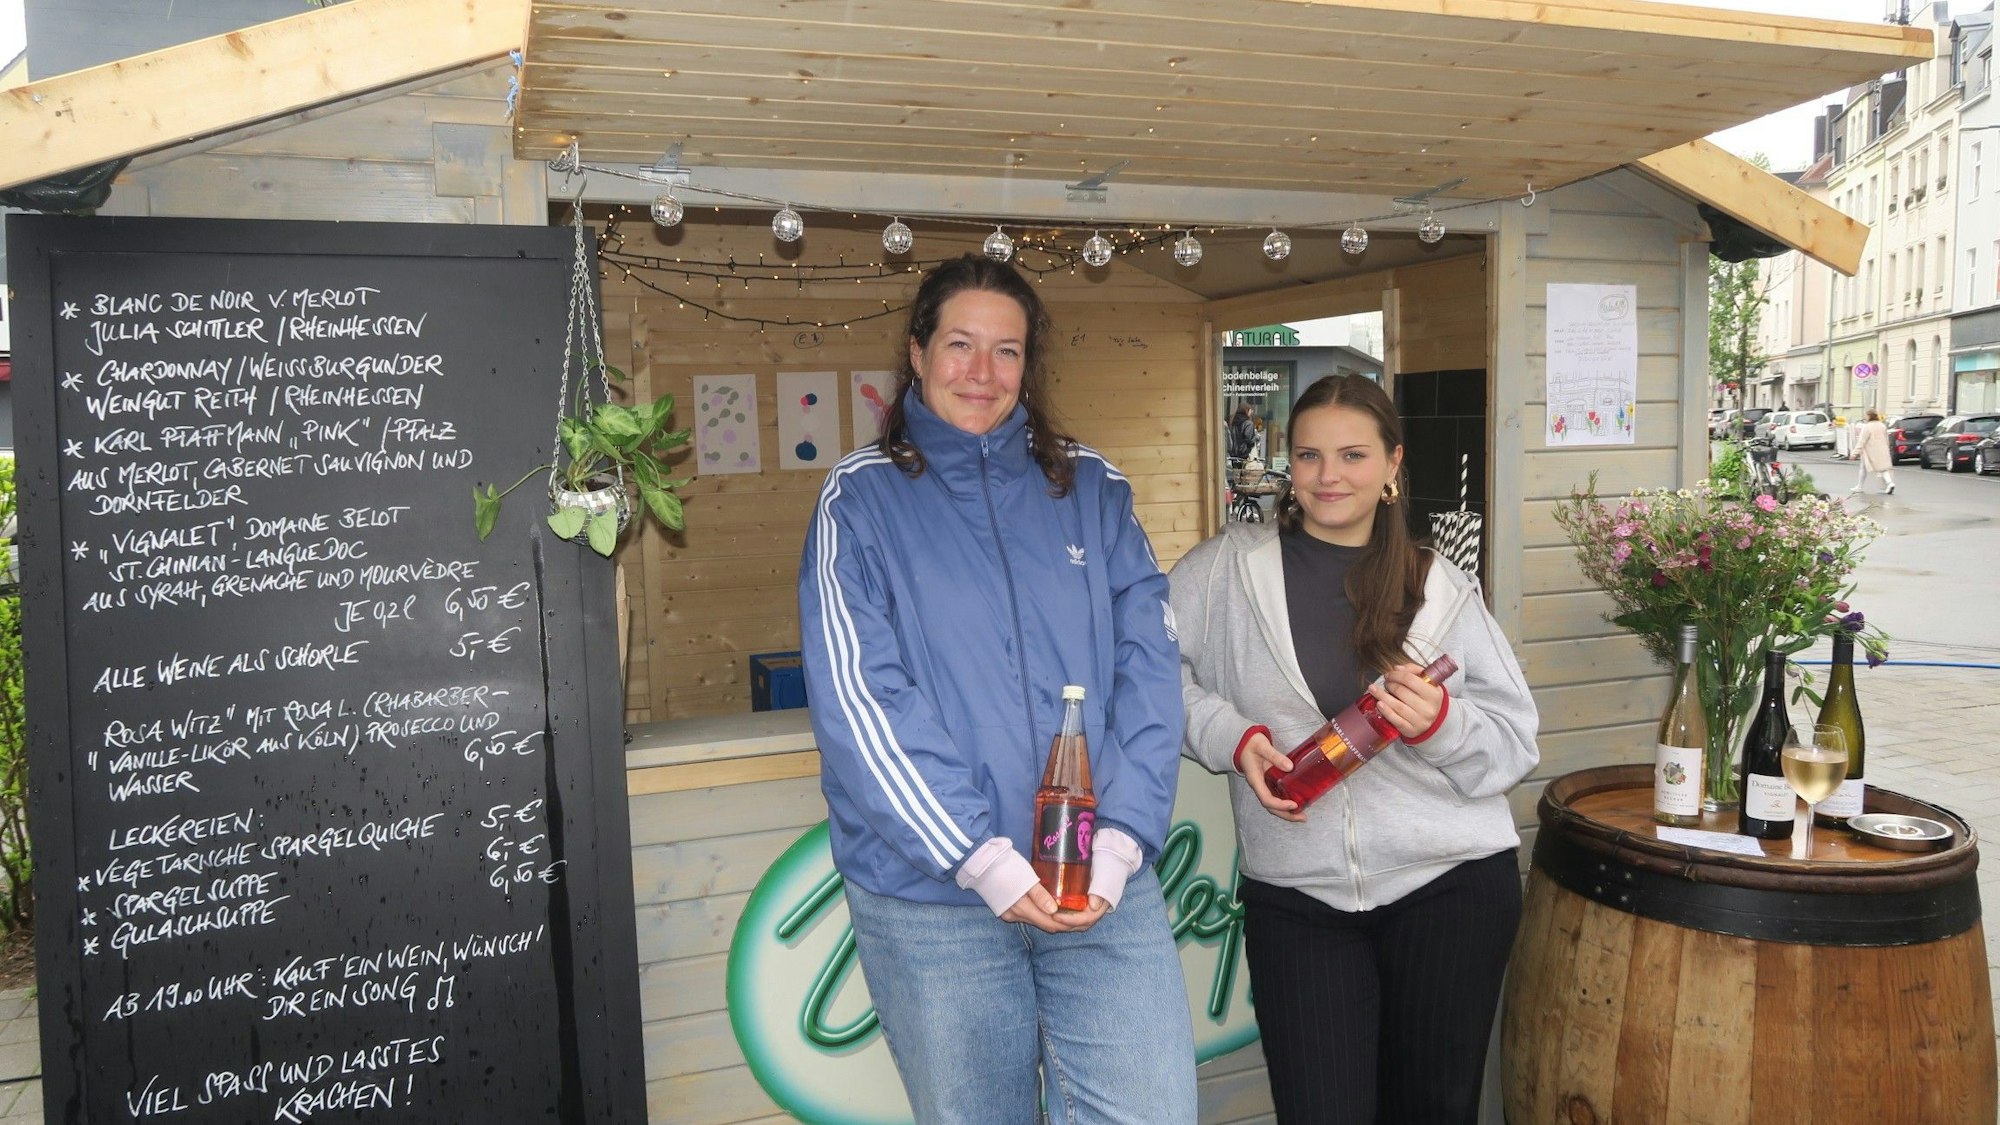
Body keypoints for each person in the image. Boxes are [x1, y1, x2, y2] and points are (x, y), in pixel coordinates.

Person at [798, 253, 1198, 1125]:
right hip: (936, 896)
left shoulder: (1093, 487)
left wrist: (1123, 839)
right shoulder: (858, 503)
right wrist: (979, 855)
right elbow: (864, 704)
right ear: (916, 353)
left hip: (1096, 877)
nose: (983, 372)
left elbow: (1149, 670)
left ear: (1030, 364)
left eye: (1007, 351)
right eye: (960, 345)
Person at [1171, 374, 1539, 1125]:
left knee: (1433, 1112)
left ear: (1392, 464)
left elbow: (1512, 745)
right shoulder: (1224, 572)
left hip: (1453, 887)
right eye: (1308, 455)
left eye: (1351, 454)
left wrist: (1443, 724)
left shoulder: (1441, 587)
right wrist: (1230, 735)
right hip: (1299, 901)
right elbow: (1140, 669)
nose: (1328, 475)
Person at [1849, 408, 1895, 495]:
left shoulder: (1867, 427)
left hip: (1870, 451)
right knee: (1882, 468)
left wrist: (1855, 453)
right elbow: (1886, 439)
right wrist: (1887, 448)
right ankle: (1890, 483)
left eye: (1866, 415)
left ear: (1869, 416)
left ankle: (1859, 486)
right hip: (1882, 449)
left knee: (1863, 468)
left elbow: (1862, 441)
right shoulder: (1882, 425)